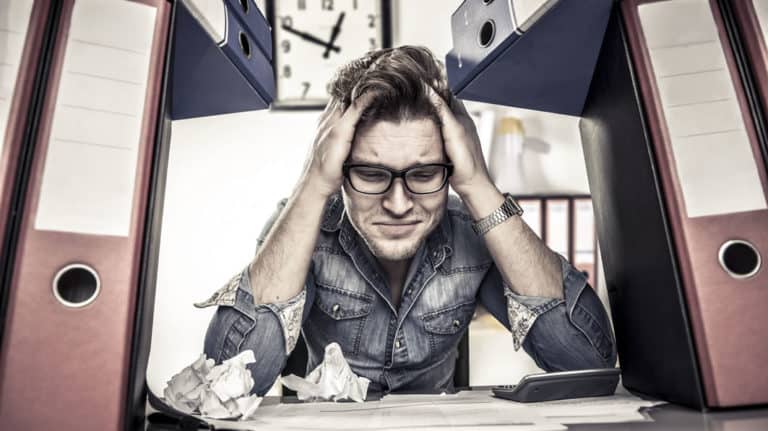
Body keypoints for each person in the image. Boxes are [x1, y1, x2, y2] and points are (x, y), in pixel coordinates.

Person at [196, 46, 616, 396]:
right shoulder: (304, 227)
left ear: (451, 166)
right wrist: (311, 185)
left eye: (423, 174)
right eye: (372, 174)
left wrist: (480, 187)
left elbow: (587, 363)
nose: (398, 204)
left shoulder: (473, 231)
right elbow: (225, 384)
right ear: (338, 167)